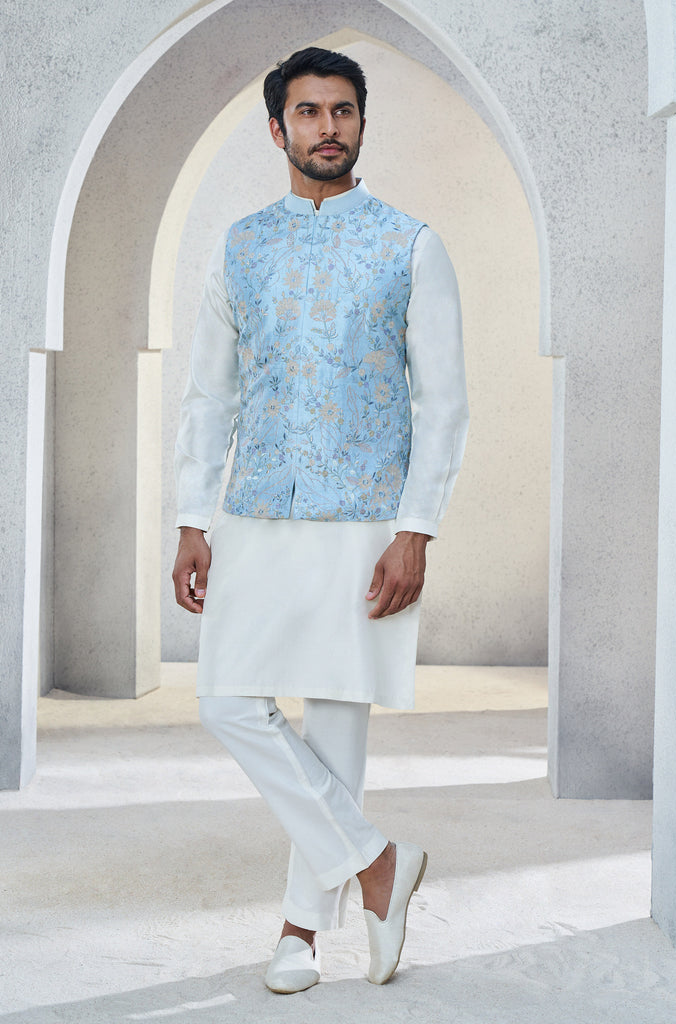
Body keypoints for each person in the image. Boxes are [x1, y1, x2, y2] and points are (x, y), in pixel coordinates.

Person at [172, 46, 469, 993]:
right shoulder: (241, 247)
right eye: (307, 112)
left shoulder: (409, 244)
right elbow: (208, 395)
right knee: (227, 701)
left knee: (336, 732)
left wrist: (416, 530)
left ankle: (300, 933)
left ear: (361, 124)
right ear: (277, 129)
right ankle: (379, 866)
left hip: (366, 522)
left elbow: (444, 404)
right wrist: (191, 515)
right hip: (257, 506)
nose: (327, 127)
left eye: (342, 110)